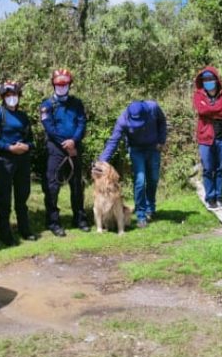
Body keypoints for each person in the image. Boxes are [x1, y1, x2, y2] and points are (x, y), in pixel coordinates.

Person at [98, 100, 167, 228]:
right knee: (140, 180)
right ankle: (141, 215)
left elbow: (162, 122)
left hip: (153, 148)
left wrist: (161, 141)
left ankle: (150, 207)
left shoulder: (153, 108)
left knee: (153, 178)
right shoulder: (123, 120)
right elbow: (113, 141)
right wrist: (102, 161)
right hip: (136, 150)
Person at [39, 68, 89, 237]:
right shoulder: (47, 105)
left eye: (65, 84)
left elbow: (82, 123)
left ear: (69, 84)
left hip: (75, 148)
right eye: (59, 84)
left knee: (76, 185)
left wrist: (73, 141)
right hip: (56, 150)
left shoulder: (77, 103)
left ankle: (80, 219)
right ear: (53, 84)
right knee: (52, 187)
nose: (62, 87)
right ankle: (53, 222)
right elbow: (50, 128)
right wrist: (65, 143)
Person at [0, 79, 37, 246]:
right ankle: (5, 233)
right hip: (5, 161)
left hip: (23, 160)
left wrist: (26, 146)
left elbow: (31, 140)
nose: (12, 97)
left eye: (14, 94)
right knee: (4, 198)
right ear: (3, 96)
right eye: (8, 95)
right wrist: (9, 147)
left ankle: (25, 230)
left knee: (22, 196)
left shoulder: (23, 116)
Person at [192, 67, 222, 216]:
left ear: (216, 79)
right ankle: (210, 198)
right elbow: (201, 111)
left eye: (210, 78)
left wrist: (210, 109)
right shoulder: (198, 95)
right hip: (205, 138)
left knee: (220, 169)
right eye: (205, 79)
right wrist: (217, 110)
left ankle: (219, 197)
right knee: (208, 169)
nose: (208, 82)